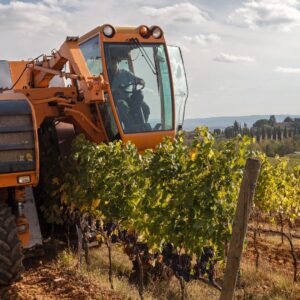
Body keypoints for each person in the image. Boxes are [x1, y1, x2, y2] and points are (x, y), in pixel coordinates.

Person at [108, 57, 150, 132]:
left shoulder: (125, 73)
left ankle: (141, 125)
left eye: (114, 64)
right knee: (123, 106)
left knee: (145, 107)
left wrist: (141, 81)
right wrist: (115, 90)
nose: (113, 66)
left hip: (130, 98)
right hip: (120, 100)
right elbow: (111, 91)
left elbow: (135, 78)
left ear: (117, 64)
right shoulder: (112, 79)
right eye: (111, 65)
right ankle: (130, 128)